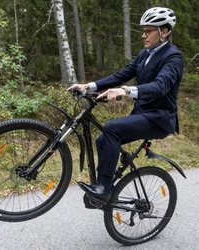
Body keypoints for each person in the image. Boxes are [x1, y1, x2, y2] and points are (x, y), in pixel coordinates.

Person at [68, 7, 184, 202]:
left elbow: (160, 86)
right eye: (143, 30)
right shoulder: (144, 54)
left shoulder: (173, 57)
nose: (144, 35)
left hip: (159, 118)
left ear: (164, 32)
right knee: (102, 140)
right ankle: (106, 186)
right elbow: (121, 75)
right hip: (142, 114)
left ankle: (103, 188)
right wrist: (88, 86)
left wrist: (125, 91)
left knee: (111, 128)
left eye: (149, 31)